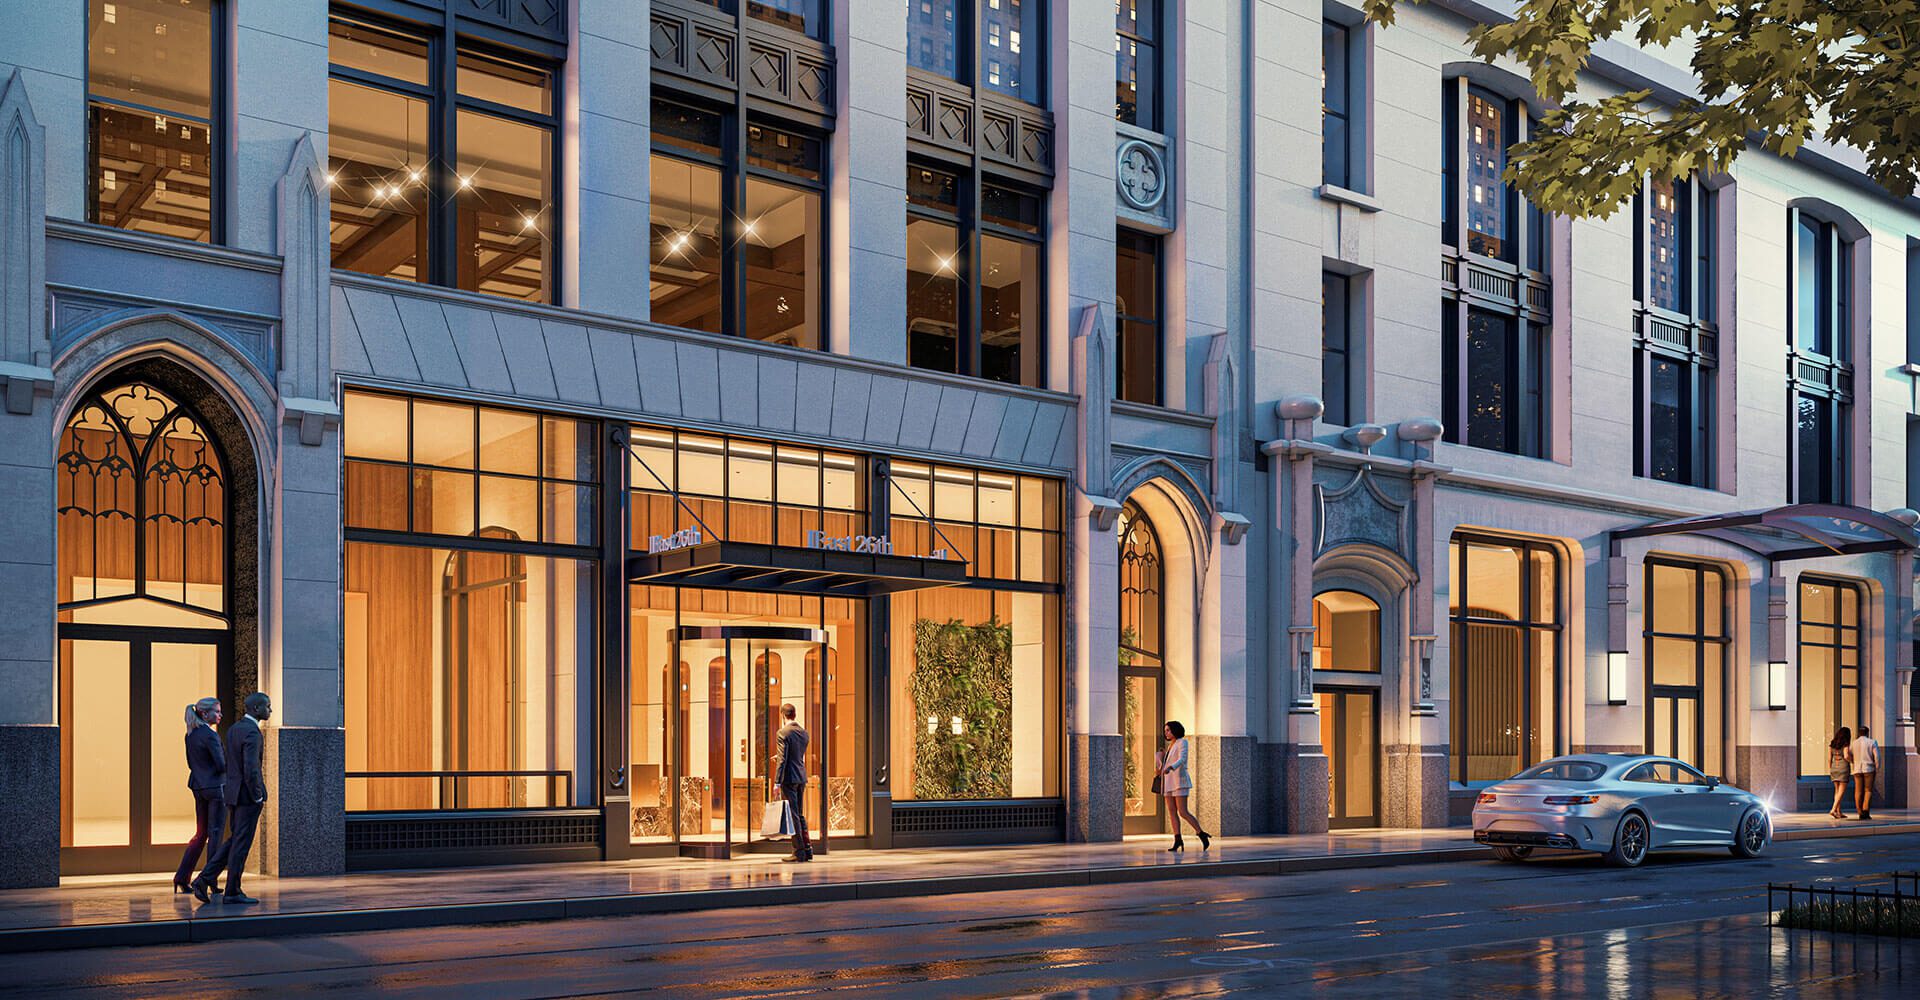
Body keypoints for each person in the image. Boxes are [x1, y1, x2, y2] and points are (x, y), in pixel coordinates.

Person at [192, 691, 270, 904]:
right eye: (267, 706)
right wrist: (257, 795)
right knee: (241, 844)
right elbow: (251, 768)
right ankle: (232, 891)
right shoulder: (253, 733)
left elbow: (231, 763)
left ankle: (204, 879)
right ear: (256, 709)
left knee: (235, 840)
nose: (270, 710)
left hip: (232, 794)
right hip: (247, 797)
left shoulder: (235, 729)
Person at [173, 697, 227, 894]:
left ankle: (181, 877)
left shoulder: (191, 734)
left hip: (199, 786)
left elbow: (190, 763)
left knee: (200, 833)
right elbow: (221, 765)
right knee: (215, 834)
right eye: (217, 711)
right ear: (205, 714)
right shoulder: (210, 735)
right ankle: (209, 879)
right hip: (216, 788)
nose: (220, 715)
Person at [1157, 721, 1210, 852]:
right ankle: (1177, 840)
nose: (1166, 733)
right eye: (1165, 731)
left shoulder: (1182, 742)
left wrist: (1171, 767)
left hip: (1179, 781)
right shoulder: (1170, 745)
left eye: (1168, 730)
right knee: (1171, 811)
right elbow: (1167, 763)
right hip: (1168, 781)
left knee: (1183, 812)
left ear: (1175, 730)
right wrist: (1161, 759)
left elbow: (1182, 759)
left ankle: (1201, 833)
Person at [773, 702, 812, 863]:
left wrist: (777, 782)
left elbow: (782, 760)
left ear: (783, 715)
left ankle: (799, 852)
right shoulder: (804, 733)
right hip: (801, 777)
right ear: (794, 715)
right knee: (799, 814)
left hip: (789, 778)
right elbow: (796, 756)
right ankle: (807, 849)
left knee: (793, 815)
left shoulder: (783, 733)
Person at [1851, 725, 1879, 821]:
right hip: (1869, 768)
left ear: (1859, 733)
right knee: (1868, 790)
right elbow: (1877, 757)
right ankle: (1865, 810)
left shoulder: (1854, 743)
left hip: (1857, 769)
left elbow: (1848, 754)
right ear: (1867, 733)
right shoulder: (1872, 742)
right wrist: (1877, 768)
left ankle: (1859, 811)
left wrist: (1853, 762)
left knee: (1858, 791)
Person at [1826, 726, 1853, 819]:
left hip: (1834, 768)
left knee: (1837, 791)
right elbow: (1846, 756)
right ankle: (1833, 809)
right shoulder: (1846, 744)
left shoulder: (1832, 745)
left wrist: (1831, 769)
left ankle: (1839, 812)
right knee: (1841, 791)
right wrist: (1852, 761)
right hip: (1843, 768)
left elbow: (1829, 759)